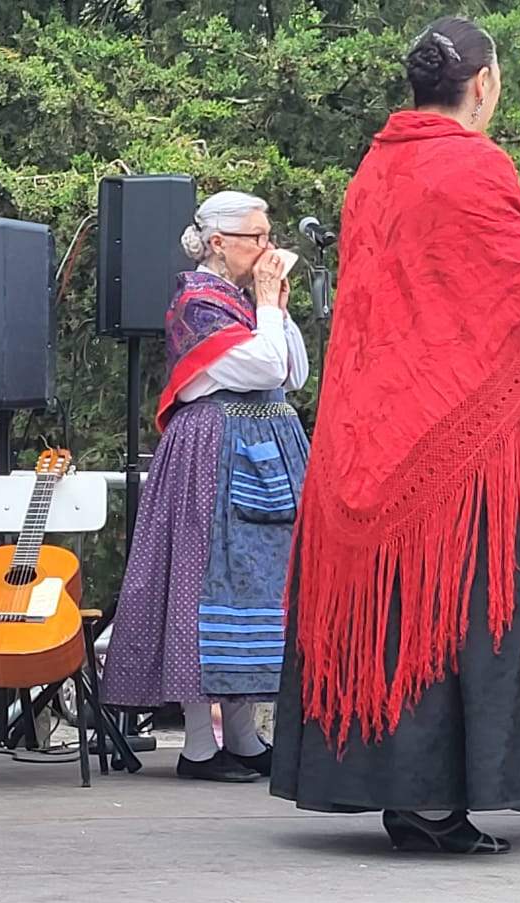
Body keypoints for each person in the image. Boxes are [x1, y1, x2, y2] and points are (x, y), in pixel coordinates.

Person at [269, 16, 520, 854]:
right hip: (450, 433)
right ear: (482, 84)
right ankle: (439, 803)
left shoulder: (372, 170)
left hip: (367, 423)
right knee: (456, 604)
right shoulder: (478, 164)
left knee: (396, 607)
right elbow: (514, 289)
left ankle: (393, 793)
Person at [102, 191, 309, 783]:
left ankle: (244, 737)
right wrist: (267, 305)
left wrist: (276, 307)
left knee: (256, 588)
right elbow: (266, 368)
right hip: (212, 451)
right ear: (219, 242)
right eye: (257, 237)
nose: (268, 248)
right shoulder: (199, 302)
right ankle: (198, 744)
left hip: (264, 448)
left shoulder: (245, 303)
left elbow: (293, 370)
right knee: (200, 581)